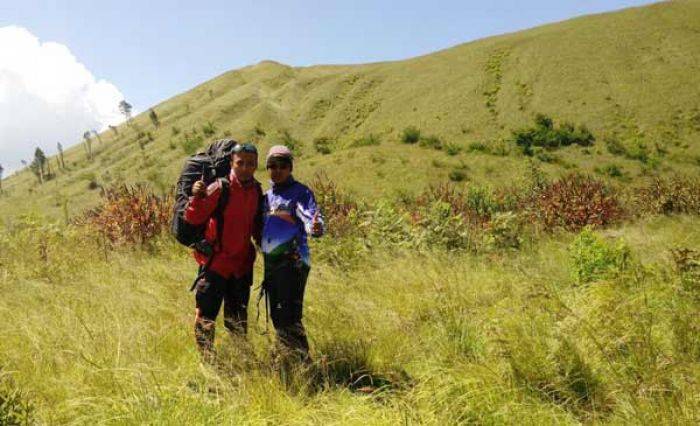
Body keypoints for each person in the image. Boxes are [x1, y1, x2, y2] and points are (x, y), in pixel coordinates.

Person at [184, 143, 263, 358]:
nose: (245, 168)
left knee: (237, 319)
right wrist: (196, 197)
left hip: (242, 266)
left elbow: (256, 225)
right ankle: (208, 361)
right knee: (206, 316)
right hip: (216, 265)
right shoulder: (220, 188)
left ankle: (240, 359)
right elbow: (192, 217)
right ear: (231, 163)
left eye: (251, 164)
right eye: (240, 163)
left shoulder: (256, 189)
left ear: (256, 165)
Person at [261, 145, 324, 362]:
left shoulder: (301, 192)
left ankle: (303, 363)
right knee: (277, 314)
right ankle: (285, 359)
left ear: (290, 168)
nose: (277, 170)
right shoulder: (266, 197)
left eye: (282, 166)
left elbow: (309, 216)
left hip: (293, 262)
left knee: (290, 315)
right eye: (272, 166)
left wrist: (315, 227)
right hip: (272, 264)